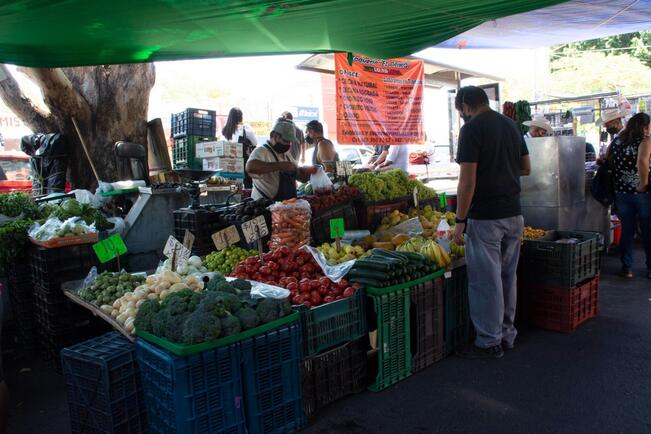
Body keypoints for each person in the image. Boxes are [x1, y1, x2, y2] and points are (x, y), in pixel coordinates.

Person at [452, 86, 531, 359]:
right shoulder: (511, 126)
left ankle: (489, 339)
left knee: (487, 281)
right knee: (508, 276)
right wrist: (502, 168)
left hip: (486, 216)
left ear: (465, 106)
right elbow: (526, 168)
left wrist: (460, 220)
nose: (462, 115)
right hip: (514, 214)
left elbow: (467, 180)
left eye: (461, 111)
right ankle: (507, 334)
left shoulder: (471, 130)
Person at [609, 112, 651, 279]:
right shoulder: (645, 141)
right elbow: (642, 161)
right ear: (645, 127)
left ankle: (627, 268)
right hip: (642, 193)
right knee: (647, 230)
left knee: (627, 230)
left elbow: (607, 159)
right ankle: (650, 267)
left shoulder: (617, 141)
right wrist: (642, 184)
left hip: (621, 192)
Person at [246, 119, 315, 201]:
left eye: (290, 142)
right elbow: (250, 167)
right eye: (286, 141)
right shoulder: (261, 151)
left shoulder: (286, 154)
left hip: (284, 206)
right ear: (275, 136)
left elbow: (295, 174)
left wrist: (303, 174)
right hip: (264, 205)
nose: (288, 144)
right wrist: (282, 166)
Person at [222, 107, 258, 188]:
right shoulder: (245, 130)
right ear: (241, 117)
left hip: (228, 163)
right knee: (247, 185)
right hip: (242, 162)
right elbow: (255, 143)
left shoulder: (225, 130)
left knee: (232, 185)